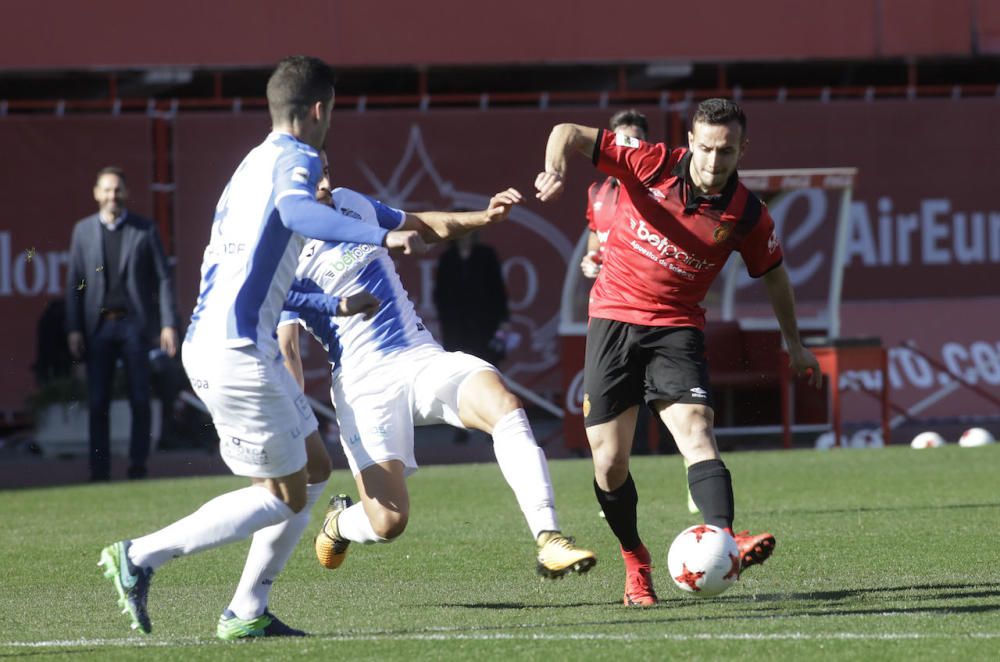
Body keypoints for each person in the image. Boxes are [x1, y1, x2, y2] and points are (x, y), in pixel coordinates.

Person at [98, 55, 425, 640]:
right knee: (284, 497)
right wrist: (381, 234)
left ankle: (247, 610)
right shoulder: (296, 160)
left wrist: (334, 304)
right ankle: (140, 556)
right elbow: (300, 211)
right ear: (319, 109)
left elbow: (264, 272)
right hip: (239, 351)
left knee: (316, 470)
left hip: (223, 342)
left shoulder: (250, 165)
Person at [534, 98, 822, 607]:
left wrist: (795, 345)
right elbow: (567, 131)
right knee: (609, 462)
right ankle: (635, 561)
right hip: (614, 320)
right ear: (691, 142)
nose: (714, 162)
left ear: (742, 150)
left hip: (676, 327)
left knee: (696, 427)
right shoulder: (650, 162)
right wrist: (554, 166)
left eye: (727, 152)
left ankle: (725, 538)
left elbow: (776, 275)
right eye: (707, 149)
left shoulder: (749, 215)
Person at [278, 151, 597, 583]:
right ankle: (341, 523)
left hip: (421, 360)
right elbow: (289, 349)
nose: (324, 186)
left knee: (503, 403)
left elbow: (422, 224)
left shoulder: (350, 202)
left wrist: (483, 217)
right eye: (313, 179)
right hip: (362, 384)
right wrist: (296, 424)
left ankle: (549, 537)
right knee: (389, 522)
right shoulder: (281, 252)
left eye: (327, 173)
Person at [65, 167, 179, 482]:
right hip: (98, 326)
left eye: (117, 190)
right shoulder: (83, 231)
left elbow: (163, 279)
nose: (112, 195)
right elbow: (75, 281)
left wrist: (168, 323)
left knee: (140, 398)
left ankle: (137, 466)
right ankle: (99, 470)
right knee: (98, 399)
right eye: (106, 190)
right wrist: (74, 328)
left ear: (126, 193)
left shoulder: (145, 229)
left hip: (134, 325)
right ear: (96, 193)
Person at [433, 227, 510, 443]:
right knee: (458, 377)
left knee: (488, 374)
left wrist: (503, 321)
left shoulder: (486, 255)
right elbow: (440, 295)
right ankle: (462, 425)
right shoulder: (447, 259)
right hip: (456, 327)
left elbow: (497, 290)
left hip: (484, 325)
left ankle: (493, 425)